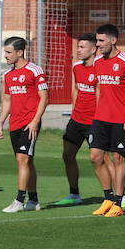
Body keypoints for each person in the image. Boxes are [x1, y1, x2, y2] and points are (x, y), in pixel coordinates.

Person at [89, 24, 125, 218]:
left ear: (113, 40)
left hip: (121, 120)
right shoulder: (97, 61)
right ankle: (107, 198)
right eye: (97, 40)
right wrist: (97, 109)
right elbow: (98, 87)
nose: (98, 44)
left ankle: (118, 203)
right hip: (100, 119)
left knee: (117, 158)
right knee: (95, 156)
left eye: (101, 41)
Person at [0, 37, 49, 213]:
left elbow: (44, 97)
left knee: (22, 159)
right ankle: (33, 201)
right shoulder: (7, 75)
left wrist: (35, 121)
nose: (5, 55)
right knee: (27, 161)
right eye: (5, 52)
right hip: (15, 124)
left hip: (29, 124)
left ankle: (19, 200)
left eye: (8, 52)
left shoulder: (34, 70)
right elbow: (7, 100)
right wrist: (0, 123)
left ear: (20, 52)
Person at [50, 34, 97, 206]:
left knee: (100, 159)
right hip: (76, 120)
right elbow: (77, 89)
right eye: (78, 47)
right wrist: (73, 110)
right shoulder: (77, 67)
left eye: (82, 47)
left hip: (95, 122)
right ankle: (74, 194)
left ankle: (117, 195)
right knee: (67, 155)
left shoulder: (101, 68)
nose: (78, 50)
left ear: (93, 49)